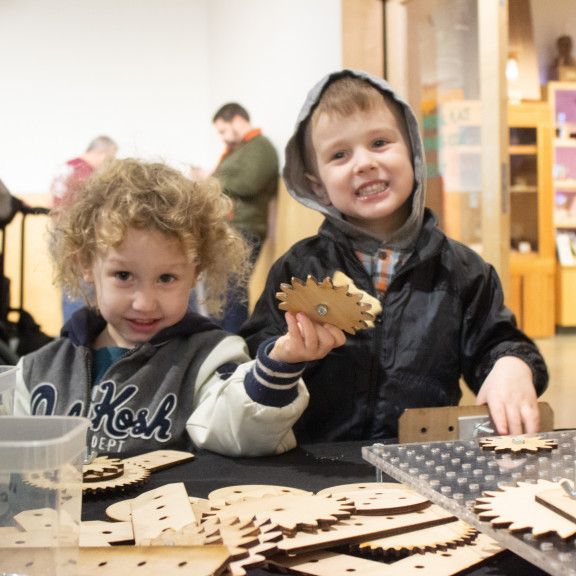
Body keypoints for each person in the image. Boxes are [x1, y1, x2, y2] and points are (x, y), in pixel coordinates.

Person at [241, 69, 549, 444]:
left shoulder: (464, 271)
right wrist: (283, 355)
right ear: (317, 186)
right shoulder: (297, 269)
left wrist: (511, 365)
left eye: (380, 142)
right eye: (339, 154)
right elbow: (253, 358)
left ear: (414, 155)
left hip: (424, 461)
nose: (363, 163)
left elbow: (496, 342)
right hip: (317, 466)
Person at [15, 158, 345, 457]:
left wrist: (279, 365)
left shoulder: (209, 359)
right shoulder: (38, 370)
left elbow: (240, 430)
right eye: (124, 275)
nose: (144, 302)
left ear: (195, 273)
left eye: (166, 278)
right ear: (86, 265)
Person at [191, 103, 279, 333]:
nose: (222, 138)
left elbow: (250, 182)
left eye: (223, 130)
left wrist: (213, 180)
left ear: (238, 121)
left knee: (232, 292)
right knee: (221, 291)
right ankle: (220, 341)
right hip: (229, 229)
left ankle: (233, 343)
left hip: (245, 228)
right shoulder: (238, 150)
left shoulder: (260, 146)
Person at [50, 135, 118, 323]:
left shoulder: (67, 166)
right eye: (110, 157)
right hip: (75, 235)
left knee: (70, 289)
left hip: (57, 231)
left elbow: (51, 199)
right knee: (80, 292)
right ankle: (78, 343)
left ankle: (70, 339)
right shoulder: (86, 172)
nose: (110, 163)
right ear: (98, 152)